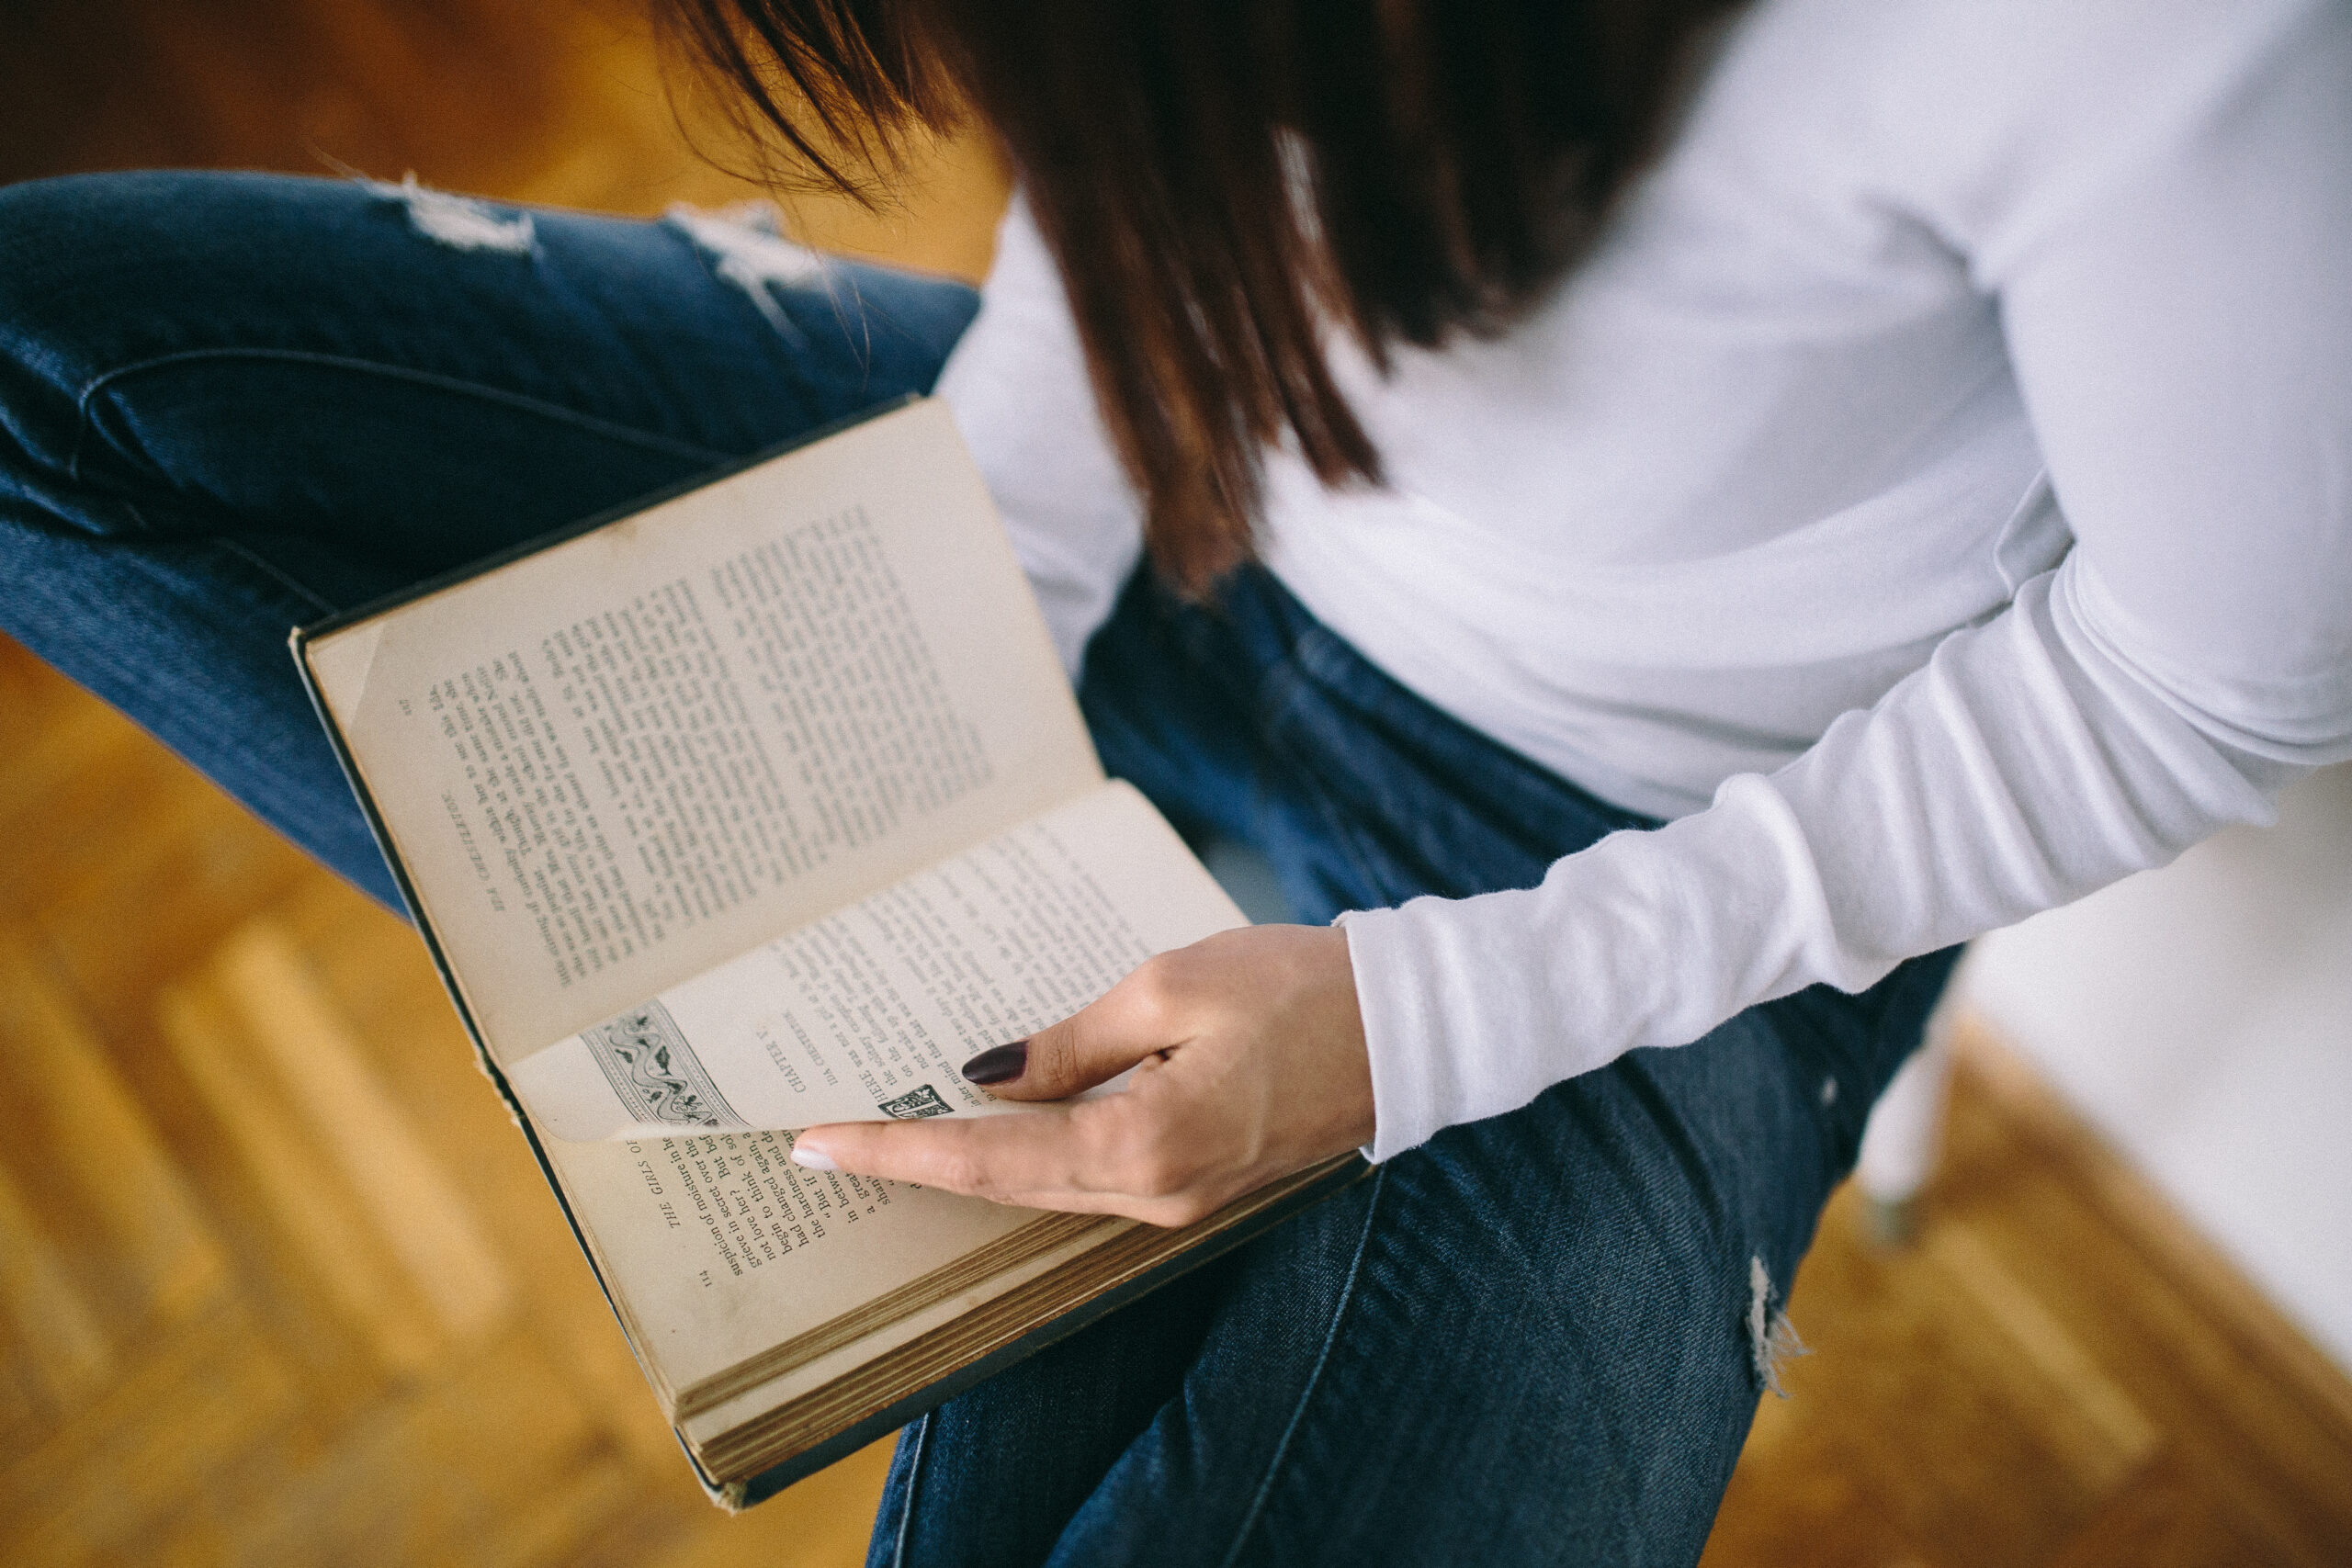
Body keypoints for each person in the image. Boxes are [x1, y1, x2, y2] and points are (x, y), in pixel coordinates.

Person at [1, 0, 2344, 1561]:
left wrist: (1418, 1024)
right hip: (1182, 500)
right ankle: (714, 955)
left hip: (1660, 849)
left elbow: (2210, 683)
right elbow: (1170, 162)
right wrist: (982, 597)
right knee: (44, 363)